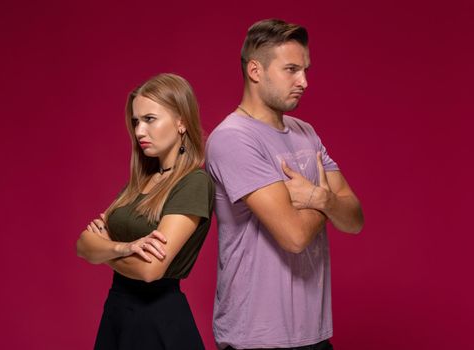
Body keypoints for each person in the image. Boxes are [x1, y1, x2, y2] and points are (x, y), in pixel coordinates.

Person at [206, 19, 364, 350]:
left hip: (315, 335)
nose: (304, 81)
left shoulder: (306, 132)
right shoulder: (233, 139)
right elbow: (293, 237)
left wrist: (320, 199)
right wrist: (326, 201)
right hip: (257, 339)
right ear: (255, 70)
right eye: (291, 69)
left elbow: (354, 219)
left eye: (305, 69)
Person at [76, 73, 214, 350]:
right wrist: (123, 249)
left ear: (181, 122)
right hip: (118, 314)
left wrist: (104, 251)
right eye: (136, 121)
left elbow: (151, 270)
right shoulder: (139, 184)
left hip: (157, 321)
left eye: (150, 119)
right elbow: (82, 245)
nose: (139, 131)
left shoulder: (194, 183)